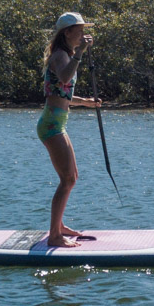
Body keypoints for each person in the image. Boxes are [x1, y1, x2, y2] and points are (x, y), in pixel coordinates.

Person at [38, 12, 103, 247]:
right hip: (51, 125)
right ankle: (54, 237)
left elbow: (62, 92)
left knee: (72, 178)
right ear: (67, 32)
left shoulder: (66, 54)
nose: (84, 34)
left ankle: (59, 226)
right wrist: (81, 53)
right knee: (66, 180)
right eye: (79, 30)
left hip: (58, 123)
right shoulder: (59, 56)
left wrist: (86, 102)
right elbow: (65, 78)